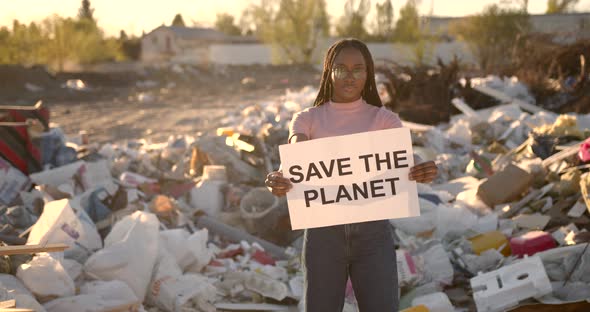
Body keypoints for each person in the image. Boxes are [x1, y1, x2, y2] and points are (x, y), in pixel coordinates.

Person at [265, 38, 438, 311]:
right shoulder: (306, 119)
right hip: (323, 235)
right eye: (341, 68)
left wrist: (421, 168)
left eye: (358, 69)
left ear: (368, 74)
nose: (350, 76)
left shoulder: (384, 119)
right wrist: (282, 177)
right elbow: (297, 156)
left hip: (373, 234)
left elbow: (404, 157)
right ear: (328, 72)